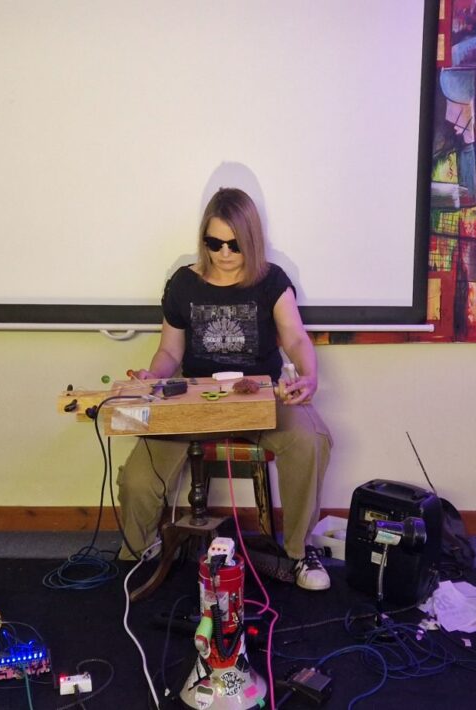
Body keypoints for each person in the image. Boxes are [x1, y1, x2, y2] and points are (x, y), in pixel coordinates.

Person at [117, 187, 333, 591]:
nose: (224, 253)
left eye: (234, 244)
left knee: (311, 440)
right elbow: (169, 351)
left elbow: (295, 337)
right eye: (214, 243)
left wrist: (309, 376)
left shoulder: (271, 281)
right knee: (138, 477)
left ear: (251, 240)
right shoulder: (183, 283)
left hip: (260, 396)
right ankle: (138, 552)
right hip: (195, 398)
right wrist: (153, 376)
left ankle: (298, 553)